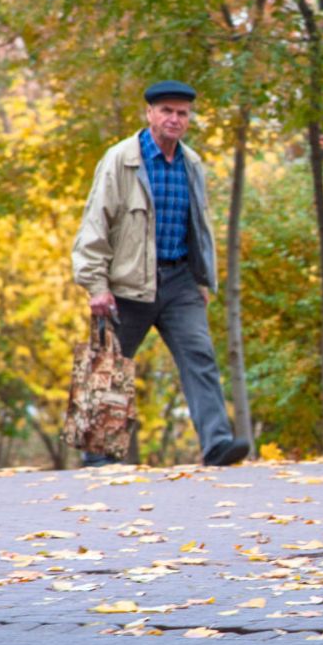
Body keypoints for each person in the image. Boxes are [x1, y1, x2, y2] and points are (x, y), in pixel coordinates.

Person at [72, 80, 250, 468]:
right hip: (127, 283)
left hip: (180, 280)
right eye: (166, 111)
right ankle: (97, 452)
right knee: (110, 363)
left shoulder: (192, 163)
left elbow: (199, 225)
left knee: (200, 356)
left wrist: (202, 280)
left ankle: (217, 444)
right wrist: (96, 285)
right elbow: (95, 224)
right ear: (149, 113)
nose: (175, 118)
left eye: (182, 113)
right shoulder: (121, 160)